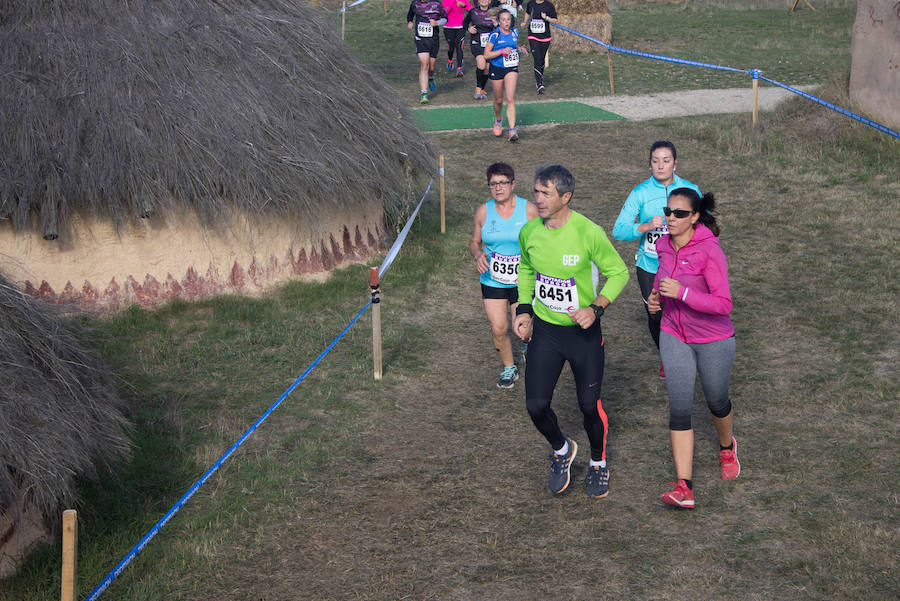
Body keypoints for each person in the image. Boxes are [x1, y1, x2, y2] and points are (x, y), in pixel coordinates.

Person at [514, 165, 629, 498]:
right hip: (546, 331)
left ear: (566, 196)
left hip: (582, 335)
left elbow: (619, 272)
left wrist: (596, 308)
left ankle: (598, 462)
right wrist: (524, 310)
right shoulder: (530, 232)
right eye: (536, 191)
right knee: (535, 405)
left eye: (545, 193)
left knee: (589, 406)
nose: (538, 199)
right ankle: (562, 450)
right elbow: (524, 267)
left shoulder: (588, 232)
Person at [648, 188, 740, 509]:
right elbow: (663, 279)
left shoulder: (710, 251)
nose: (671, 218)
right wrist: (656, 300)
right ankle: (683, 486)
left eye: (680, 213)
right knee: (680, 406)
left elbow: (723, 304)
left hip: (713, 338)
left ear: (695, 217)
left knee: (716, 400)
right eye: (668, 211)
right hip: (674, 334)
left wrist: (683, 293)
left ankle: (727, 447)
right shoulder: (662, 245)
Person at [612, 140, 700, 379]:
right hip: (650, 266)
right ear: (649, 164)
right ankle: (667, 356)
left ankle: (692, 351)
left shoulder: (690, 190)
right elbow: (618, 230)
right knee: (656, 313)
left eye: (666, 161)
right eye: (655, 161)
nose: (660, 166)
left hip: (684, 265)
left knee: (687, 311)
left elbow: (706, 225)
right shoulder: (640, 193)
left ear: (675, 163)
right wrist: (645, 226)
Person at [469, 163, 538, 388]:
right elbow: (474, 242)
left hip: (523, 279)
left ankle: (528, 344)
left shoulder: (528, 210)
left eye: (503, 183)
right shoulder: (483, 211)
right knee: (498, 328)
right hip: (493, 279)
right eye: (493, 184)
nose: (498, 188)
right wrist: (478, 254)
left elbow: (543, 239)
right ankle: (509, 369)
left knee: (523, 328)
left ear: (513, 184)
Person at [484, 9, 521, 142]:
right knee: (499, 100)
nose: (506, 22)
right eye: (503, 20)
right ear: (499, 21)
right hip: (497, 68)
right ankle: (498, 119)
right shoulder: (495, 34)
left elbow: (514, 46)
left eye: (508, 19)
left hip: (511, 67)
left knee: (510, 98)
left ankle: (512, 130)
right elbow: (486, 54)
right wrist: (501, 51)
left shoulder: (515, 32)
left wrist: (520, 48)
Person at [407, 0, 449, 104]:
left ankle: (430, 77)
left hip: (433, 40)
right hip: (421, 39)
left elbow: (445, 19)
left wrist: (437, 23)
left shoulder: (437, 4)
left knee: (431, 67)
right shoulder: (415, 3)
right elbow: (410, 14)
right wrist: (410, 22)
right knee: (424, 64)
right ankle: (424, 94)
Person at [520, 0, 557, 94]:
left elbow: (555, 20)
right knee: (537, 59)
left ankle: (540, 77)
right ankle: (539, 84)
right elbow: (527, 12)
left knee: (541, 60)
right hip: (533, 36)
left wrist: (546, 18)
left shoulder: (549, 5)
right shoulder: (531, 3)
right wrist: (524, 21)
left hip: (545, 37)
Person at [463, 0, 496, 99]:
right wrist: (469, 29)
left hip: (490, 45)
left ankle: (482, 88)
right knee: (481, 63)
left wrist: (495, 24)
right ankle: (478, 88)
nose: (484, 1)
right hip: (477, 43)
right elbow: (464, 23)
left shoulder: (494, 12)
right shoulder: (473, 12)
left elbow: (501, 26)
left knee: (487, 69)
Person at [443, 0, 472, 77]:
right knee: (451, 48)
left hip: (460, 27)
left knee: (459, 47)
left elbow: (472, 11)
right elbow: (444, 12)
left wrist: (464, 5)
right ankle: (450, 60)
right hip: (448, 27)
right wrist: (453, 2)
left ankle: (459, 69)